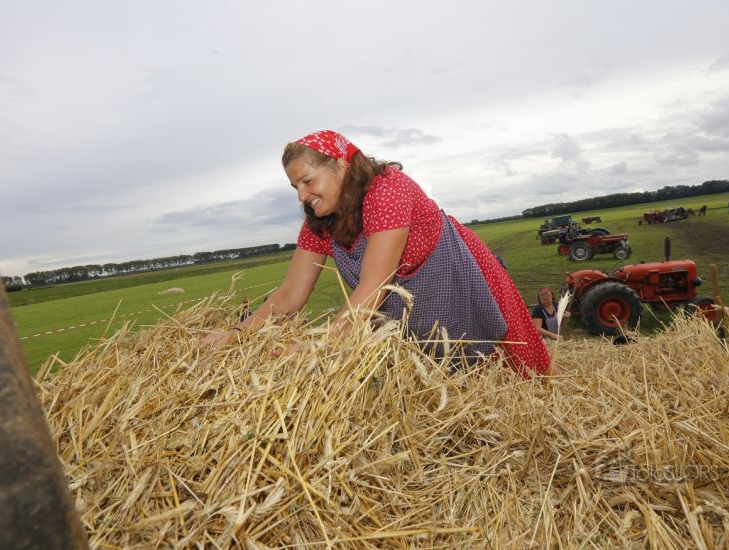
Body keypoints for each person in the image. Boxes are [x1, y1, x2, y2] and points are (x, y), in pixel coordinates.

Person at [202, 130, 553, 376]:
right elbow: (290, 293)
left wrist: (322, 348)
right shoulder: (318, 223)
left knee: (512, 369)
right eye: (295, 187)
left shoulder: (387, 191)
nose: (301, 196)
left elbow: (374, 284)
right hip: (403, 300)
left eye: (308, 181)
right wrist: (236, 334)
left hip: (453, 273)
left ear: (340, 165)